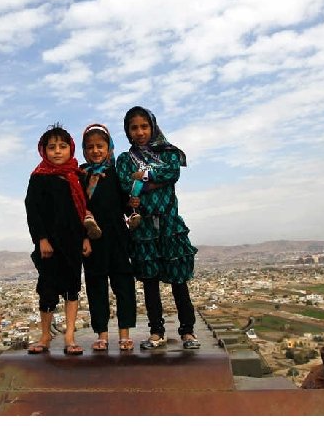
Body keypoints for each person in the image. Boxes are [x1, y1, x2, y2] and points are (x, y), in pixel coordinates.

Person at [115, 106, 200, 350]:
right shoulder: (124, 159)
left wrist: (141, 176)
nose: (140, 132)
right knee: (150, 281)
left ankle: (187, 331)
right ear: (128, 131)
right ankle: (156, 331)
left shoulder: (169, 153)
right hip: (143, 228)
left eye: (144, 126)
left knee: (178, 279)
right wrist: (151, 178)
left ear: (152, 127)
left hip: (169, 224)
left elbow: (171, 172)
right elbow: (124, 180)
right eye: (134, 128)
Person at [25, 123, 91, 355]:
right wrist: (41, 238)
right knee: (48, 289)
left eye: (62, 146)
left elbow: (83, 210)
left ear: (71, 149)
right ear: (43, 150)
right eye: (51, 147)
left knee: (72, 288)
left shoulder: (77, 176)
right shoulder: (38, 178)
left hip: (73, 241)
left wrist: (85, 238)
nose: (57, 151)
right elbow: (33, 211)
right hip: (49, 245)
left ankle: (69, 336)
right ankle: (45, 335)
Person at [80, 124, 137, 352]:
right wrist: (83, 238)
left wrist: (133, 207)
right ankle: (102, 334)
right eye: (90, 147)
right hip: (93, 239)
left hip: (118, 237)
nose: (95, 151)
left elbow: (126, 204)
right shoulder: (81, 176)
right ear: (84, 150)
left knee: (123, 284)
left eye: (100, 146)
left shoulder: (117, 174)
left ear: (109, 147)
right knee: (96, 286)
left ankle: (124, 333)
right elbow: (77, 208)